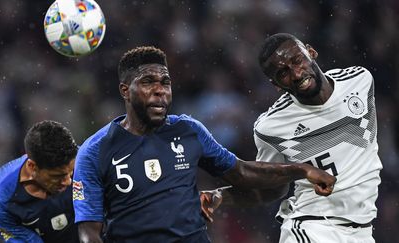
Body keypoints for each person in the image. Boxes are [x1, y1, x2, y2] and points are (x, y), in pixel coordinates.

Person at [73, 46, 336, 243]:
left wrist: (301, 170)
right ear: (124, 91)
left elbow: (242, 172)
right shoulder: (94, 151)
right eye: (147, 82)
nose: (160, 90)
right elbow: (88, 233)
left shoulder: (188, 131)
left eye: (165, 82)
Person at [250, 33, 382, 243]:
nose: (296, 74)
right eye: (283, 73)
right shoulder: (271, 127)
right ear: (275, 84)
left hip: (363, 232)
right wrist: (224, 195)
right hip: (314, 228)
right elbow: (269, 185)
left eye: (297, 60)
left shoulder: (360, 81)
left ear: (311, 53)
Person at [0, 120, 79, 243]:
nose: (68, 182)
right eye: (58, 176)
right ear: (32, 166)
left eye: (71, 173)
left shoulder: (85, 160)